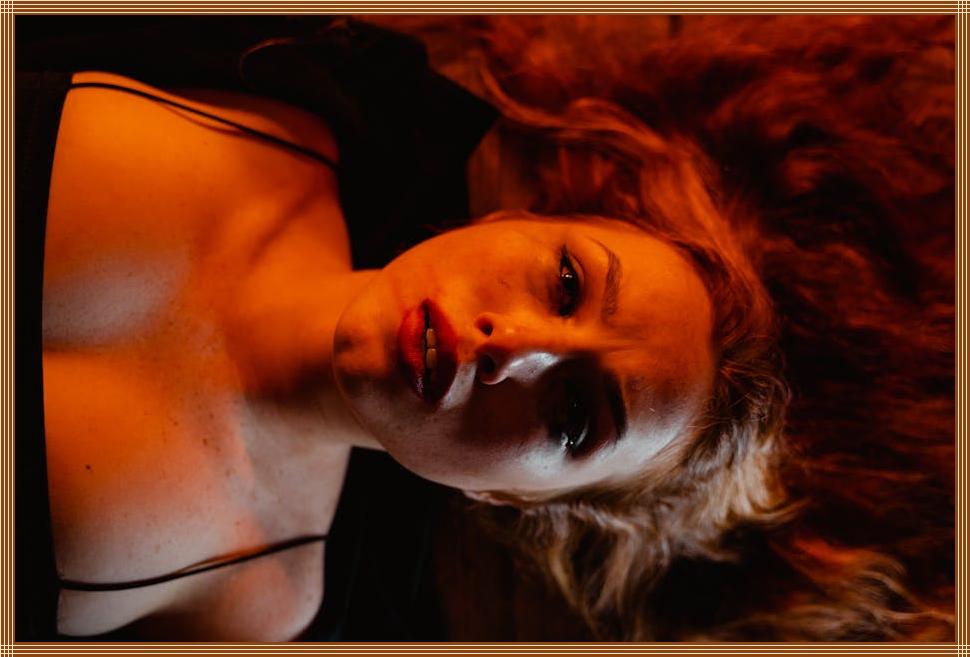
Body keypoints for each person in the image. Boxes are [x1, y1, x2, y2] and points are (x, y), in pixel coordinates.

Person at [16, 15, 954, 641]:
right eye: (567, 281)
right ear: (518, 220)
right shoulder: (307, 81)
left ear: (512, 496)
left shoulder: (258, 609)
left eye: (576, 415)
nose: (517, 346)